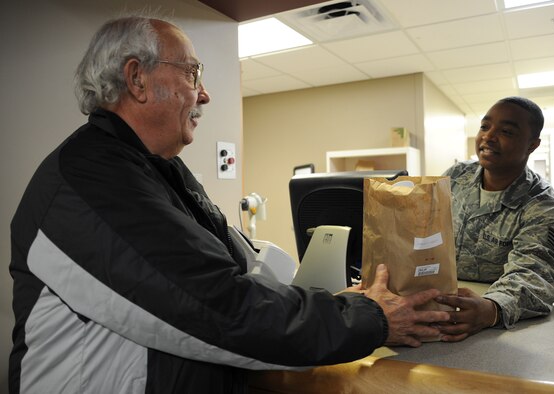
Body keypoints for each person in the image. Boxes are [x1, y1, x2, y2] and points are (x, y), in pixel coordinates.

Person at [8, 16, 450, 394]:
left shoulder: (158, 171)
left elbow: (241, 269)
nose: (204, 95)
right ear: (137, 79)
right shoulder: (90, 178)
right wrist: (367, 318)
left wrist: (338, 302)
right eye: (192, 74)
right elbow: (216, 308)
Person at [435, 97, 554, 342]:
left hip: (494, 319)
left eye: (506, 131)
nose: (488, 136)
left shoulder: (543, 206)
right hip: (441, 302)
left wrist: (491, 309)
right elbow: (424, 230)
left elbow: (536, 275)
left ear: (532, 145)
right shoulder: (455, 176)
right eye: (485, 127)